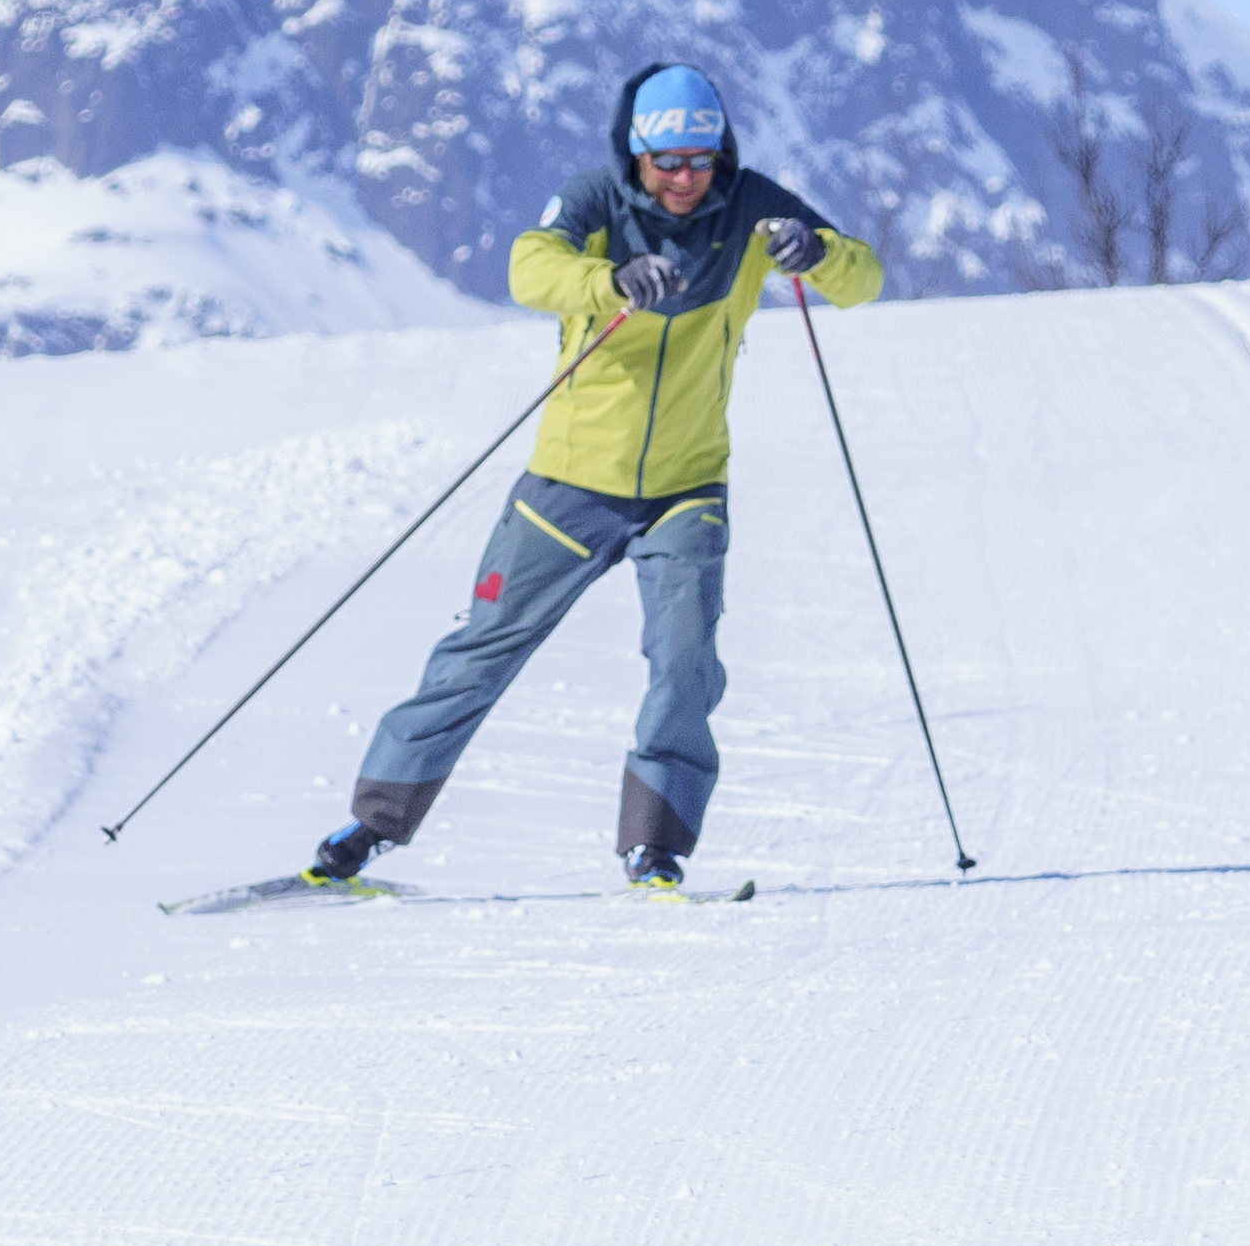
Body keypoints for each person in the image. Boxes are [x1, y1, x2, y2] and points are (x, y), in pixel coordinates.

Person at [305, 61, 887, 887]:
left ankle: (656, 846)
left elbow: (864, 280)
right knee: (479, 653)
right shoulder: (593, 202)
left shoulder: (755, 204)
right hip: (568, 487)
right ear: (636, 155)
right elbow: (527, 267)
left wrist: (818, 250)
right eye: (668, 163)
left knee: (686, 663)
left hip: (687, 488)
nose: (686, 180)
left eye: (701, 161)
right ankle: (367, 830)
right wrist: (605, 279)